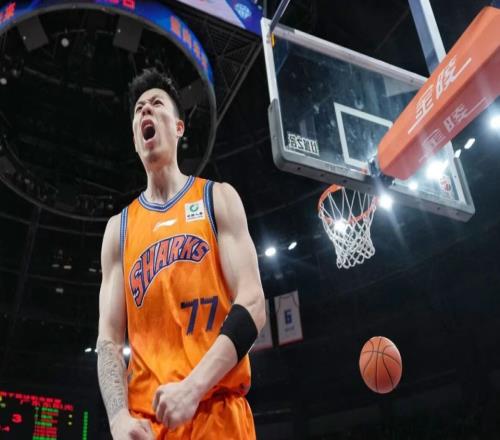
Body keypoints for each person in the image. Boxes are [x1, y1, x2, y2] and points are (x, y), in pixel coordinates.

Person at [96, 68, 266, 439]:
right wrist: (117, 417)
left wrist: (193, 387)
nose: (145, 110)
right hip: (148, 427)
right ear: (136, 139)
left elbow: (253, 304)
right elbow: (108, 340)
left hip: (217, 416)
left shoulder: (217, 198)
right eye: (139, 109)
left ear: (178, 128)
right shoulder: (118, 231)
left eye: (157, 104)